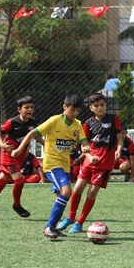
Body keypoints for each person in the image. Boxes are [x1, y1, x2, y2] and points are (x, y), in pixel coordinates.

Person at [12, 93, 89, 239]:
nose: (75, 113)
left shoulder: (77, 125)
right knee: (67, 192)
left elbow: (85, 143)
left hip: (65, 165)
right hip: (52, 163)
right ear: (64, 107)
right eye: (72, 109)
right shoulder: (54, 121)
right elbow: (32, 133)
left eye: (78, 110)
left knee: (61, 196)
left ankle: (53, 227)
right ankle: (49, 227)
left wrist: (86, 148)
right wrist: (20, 148)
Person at [57, 93, 123, 233]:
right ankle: (70, 217)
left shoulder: (113, 119)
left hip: (104, 164)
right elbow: (83, 144)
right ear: (91, 108)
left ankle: (79, 222)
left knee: (92, 192)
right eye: (97, 106)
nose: (100, 108)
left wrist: (118, 149)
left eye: (102, 105)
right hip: (88, 161)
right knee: (77, 188)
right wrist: (88, 155)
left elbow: (119, 138)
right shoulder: (87, 123)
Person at [0, 96, 41, 220]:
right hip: (8, 154)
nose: (29, 110)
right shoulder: (12, 122)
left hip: (20, 155)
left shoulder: (33, 122)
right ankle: (17, 205)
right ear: (19, 109)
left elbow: (35, 135)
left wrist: (45, 144)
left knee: (1, 182)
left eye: (31, 107)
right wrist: (2, 145)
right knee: (20, 180)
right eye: (26, 107)